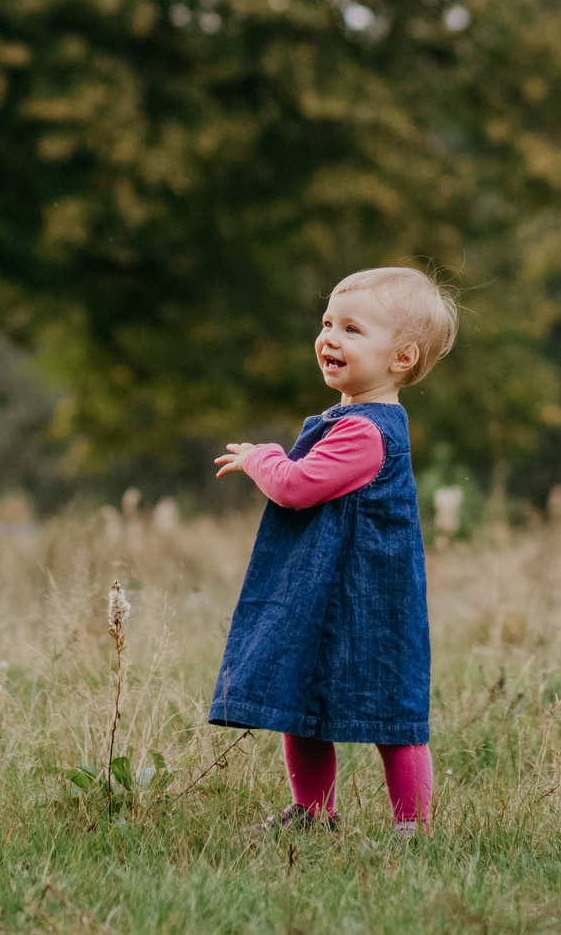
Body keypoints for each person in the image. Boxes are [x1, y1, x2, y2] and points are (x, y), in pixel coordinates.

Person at [208, 265, 454, 835]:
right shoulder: (346, 420)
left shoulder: (366, 432)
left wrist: (261, 457)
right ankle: (312, 814)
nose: (330, 338)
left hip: (367, 601)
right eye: (327, 323)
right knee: (302, 699)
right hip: (327, 593)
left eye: (352, 329)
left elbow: (295, 487)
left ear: (402, 358)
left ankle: (412, 828)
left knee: (394, 714)